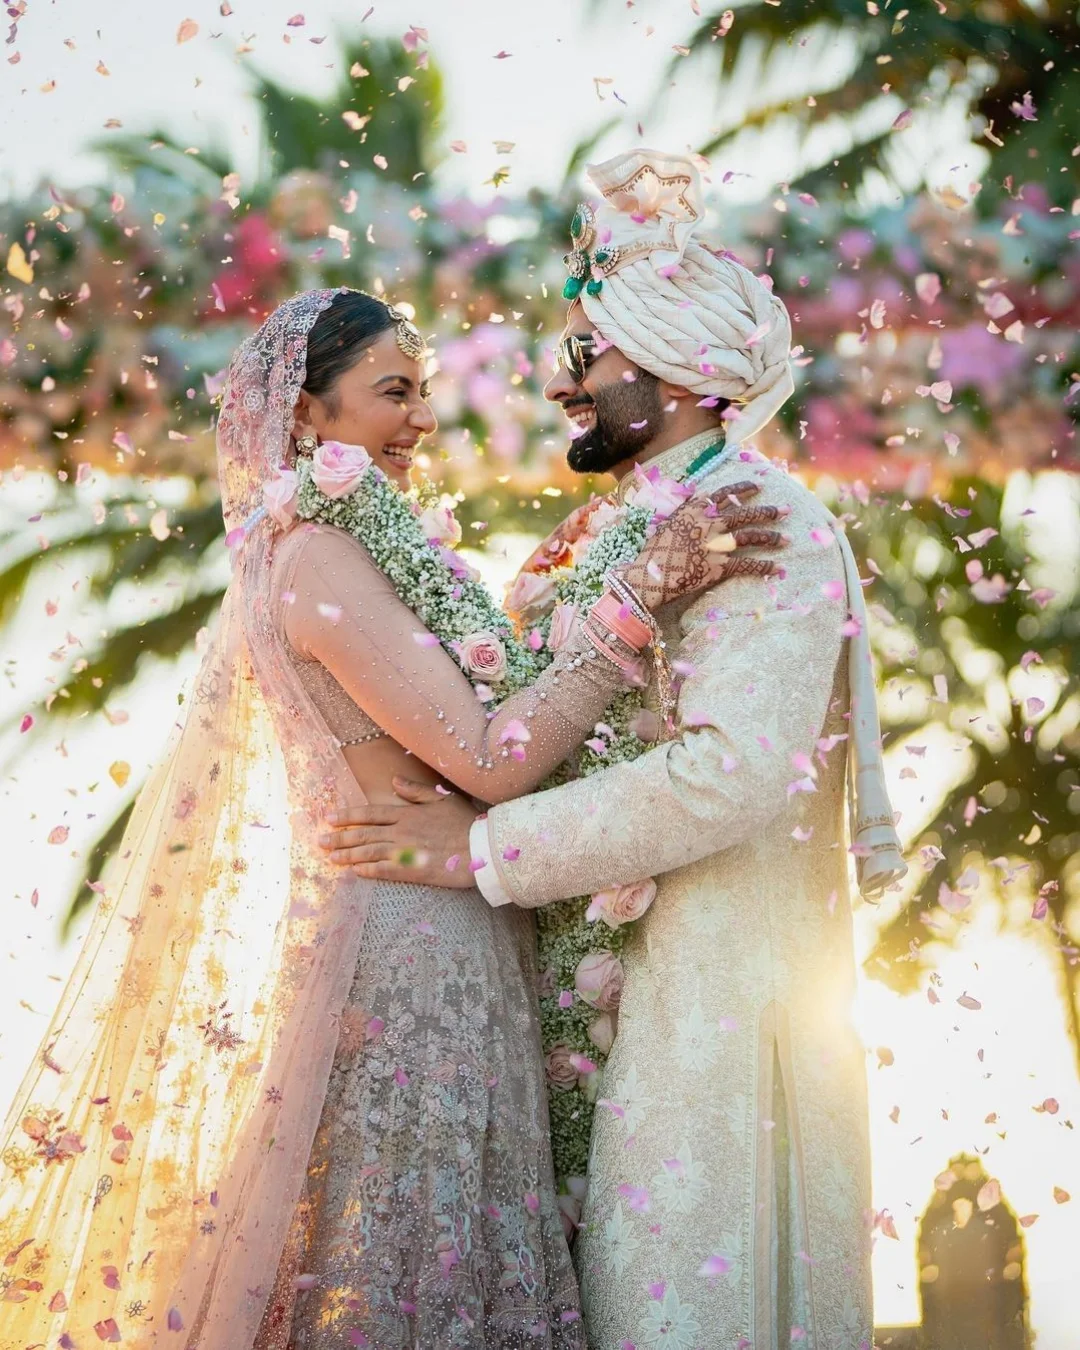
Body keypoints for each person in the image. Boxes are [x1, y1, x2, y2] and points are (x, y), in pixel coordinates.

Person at [0, 286, 785, 1350]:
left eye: (423, 391)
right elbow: (493, 762)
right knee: (408, 1269)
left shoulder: (343, 546)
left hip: (446, 923)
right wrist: (631, 605)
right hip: (416, 951)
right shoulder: (316, 559)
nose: (422, 418)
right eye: (393, 392)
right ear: (306, 414)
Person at [319, 149, 907, 1349]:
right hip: (599, 1027)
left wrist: (483, 850)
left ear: (679, 369)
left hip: (710, 1028)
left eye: (587, 355)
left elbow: (733, 771)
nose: (561, 383)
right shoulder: (608, 537)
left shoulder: (761, 522)